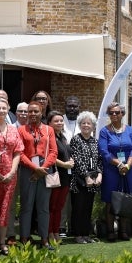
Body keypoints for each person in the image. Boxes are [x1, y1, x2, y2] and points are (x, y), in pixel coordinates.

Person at [19, 101, 57, 247]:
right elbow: (20, 153)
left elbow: (54, 152)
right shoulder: (22, 130)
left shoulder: (49, 130)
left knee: (43, 207)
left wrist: (42, 169)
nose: (33, 114)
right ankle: (24, 238)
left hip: (45, 169)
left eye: (36, 111)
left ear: (42, 113)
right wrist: (34, 168)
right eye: (30, 111)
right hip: (27, 169)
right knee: (26, 206)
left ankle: (44, 239)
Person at [0, 98, 23, 254]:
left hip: (9, 176)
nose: (1, 110)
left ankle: (2, 243)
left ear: (8, 109)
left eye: (4, 108)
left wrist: (12, 172)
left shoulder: (13, 129)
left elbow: (18, 152)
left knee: (5, 209)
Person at [99, 103, 132, 241]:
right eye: (111, 113)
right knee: (110, 200)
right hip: (111, 170)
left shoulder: (130, 130)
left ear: (123, 114)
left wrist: (128, 165)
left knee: (126, 199)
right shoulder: (104, 131)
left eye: (117, 112)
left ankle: (123, 231)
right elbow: (104, 152)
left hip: (128, 169)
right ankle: (110, 231)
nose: (114, 115)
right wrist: (120, 164)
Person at [68, 111, 101, 244]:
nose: (86, 125)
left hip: (93, 180)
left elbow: (99, 160)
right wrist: (86, 176)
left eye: (89, 123)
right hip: (79, 180)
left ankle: (86, 234)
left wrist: (99, 174)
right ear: (79, 125)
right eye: (83, 123)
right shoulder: (76, 139)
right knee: (79, 208)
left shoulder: (95, 141)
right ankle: (78, 234)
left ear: (93, 126)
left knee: (88, 207)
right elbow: (77, 159)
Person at [46, 111, 74, 245]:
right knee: (51, 206)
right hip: (54, 176)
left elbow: (67, 153)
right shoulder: (49, 137)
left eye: (61, 121)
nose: (59, 123)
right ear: (49, 123)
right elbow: (49, 157)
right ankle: (49, 232)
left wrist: (71, 161)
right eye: (56, 121)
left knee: (59, 207)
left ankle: (56, 231)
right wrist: (64, 164)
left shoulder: (63, 137)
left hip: (65, 177)